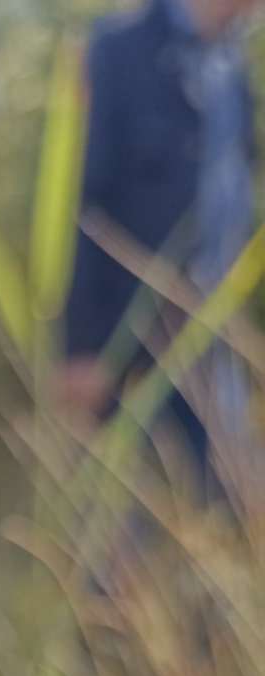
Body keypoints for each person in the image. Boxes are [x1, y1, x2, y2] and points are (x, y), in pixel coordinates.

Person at [60, 0, 258, 492]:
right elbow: (85, 199)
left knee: (232, 503)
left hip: (209, 333)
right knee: (118, 524)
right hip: (125, 336)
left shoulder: (233, 72)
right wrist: (82, 347)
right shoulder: (118, 47)